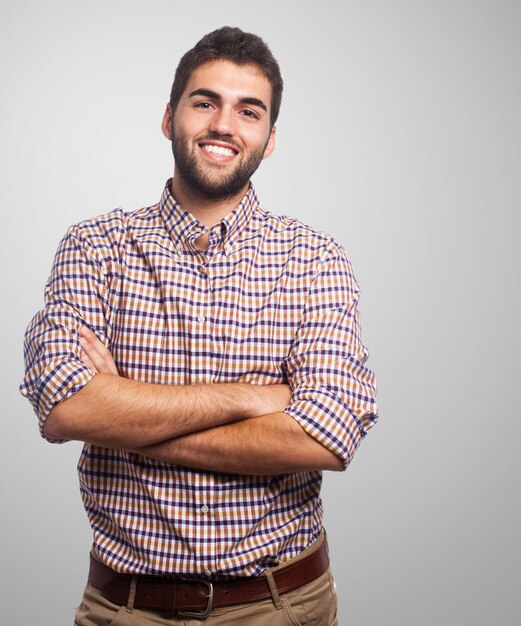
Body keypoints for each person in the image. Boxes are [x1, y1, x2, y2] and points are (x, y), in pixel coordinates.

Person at [20, 26, 377, 625]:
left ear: (269, 139)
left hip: (278, 606)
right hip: (125, 609)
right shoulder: (95, 247)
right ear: (169, 118)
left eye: (249, 111)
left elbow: (323, 438)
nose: (223, 125)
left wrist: (126, 421)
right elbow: (65, 408)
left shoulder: (315, 258)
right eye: (205, 102)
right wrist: (250, 400)